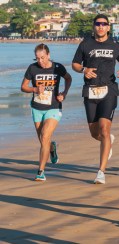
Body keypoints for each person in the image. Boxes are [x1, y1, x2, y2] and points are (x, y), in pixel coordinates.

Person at [72, 14, 119, 184]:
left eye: (104, 24)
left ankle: (101, 172)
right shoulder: (85, 44)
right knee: (94, 132)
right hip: (90, 91)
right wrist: (83, 70)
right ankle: (108, 141)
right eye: (98, 24)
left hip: (109, 91)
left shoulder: (116, 45)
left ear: (108, 27)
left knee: (104, 128)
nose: (101, 26)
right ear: (94, 26)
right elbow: (74, 64)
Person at [21, 43, 72, 181]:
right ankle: (51, 148)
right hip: (37, 107)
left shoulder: (57, 67)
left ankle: (40, 172)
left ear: (48, 55)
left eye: (42, 58)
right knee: (43, 140)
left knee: (44, 136)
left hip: (54, 107)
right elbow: (23, 87)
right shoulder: (32, 68)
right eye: (37, 58)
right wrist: (34, 90)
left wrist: (64, 93)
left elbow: (68, 78)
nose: (40, 61)